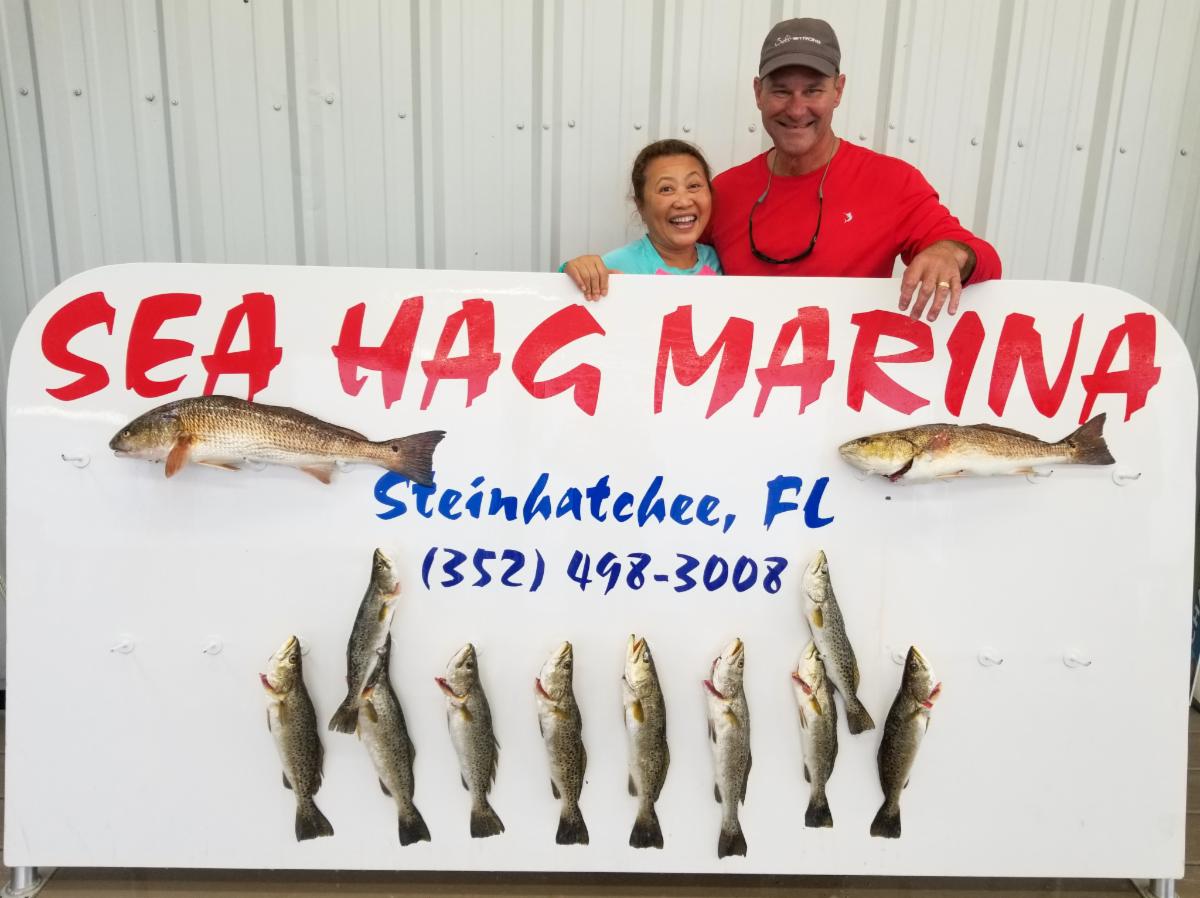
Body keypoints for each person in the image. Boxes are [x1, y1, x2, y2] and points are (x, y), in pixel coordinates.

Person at [572, 18, 1000, 323]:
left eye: (813, 90)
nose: (796, 109)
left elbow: (984, 259)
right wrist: (595, 276)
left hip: (844, 394)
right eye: (781, 91)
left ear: (838, 91)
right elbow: (672, 267)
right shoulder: (724, 191)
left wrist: (949, 255)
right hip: (737, 396)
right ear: (758, 93)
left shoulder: (892, 182)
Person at [561, 139, 722, 300]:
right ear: (640, 205)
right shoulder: (614, 268)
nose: (684, 202)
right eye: (666, 189)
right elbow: (560, 299)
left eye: (694, 186)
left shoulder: (721, 261)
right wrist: (576, 271)